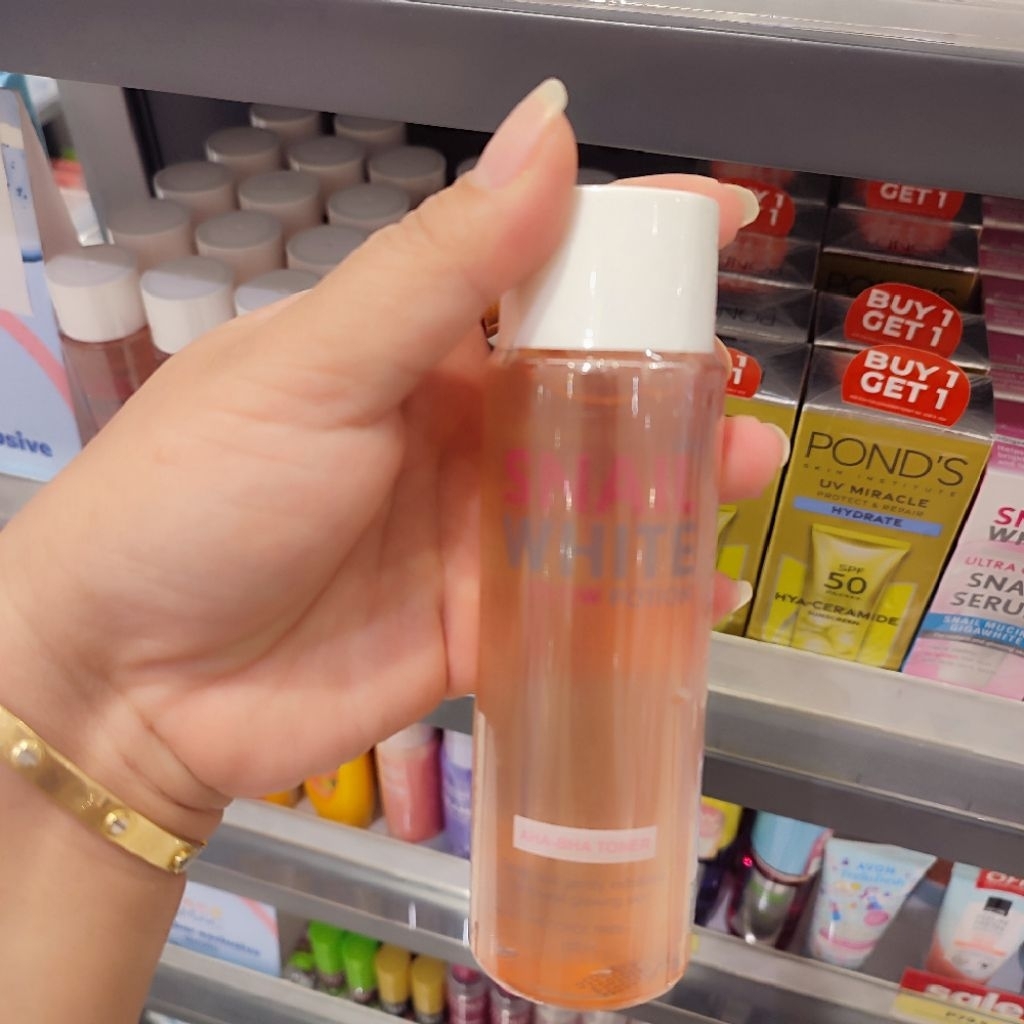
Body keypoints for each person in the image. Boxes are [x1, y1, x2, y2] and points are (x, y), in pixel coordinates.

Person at [0, 79, 784, 1021]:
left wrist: (101, 714)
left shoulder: (669, 381)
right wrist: (86, 691)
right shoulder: (532, 371)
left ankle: (622, 909)